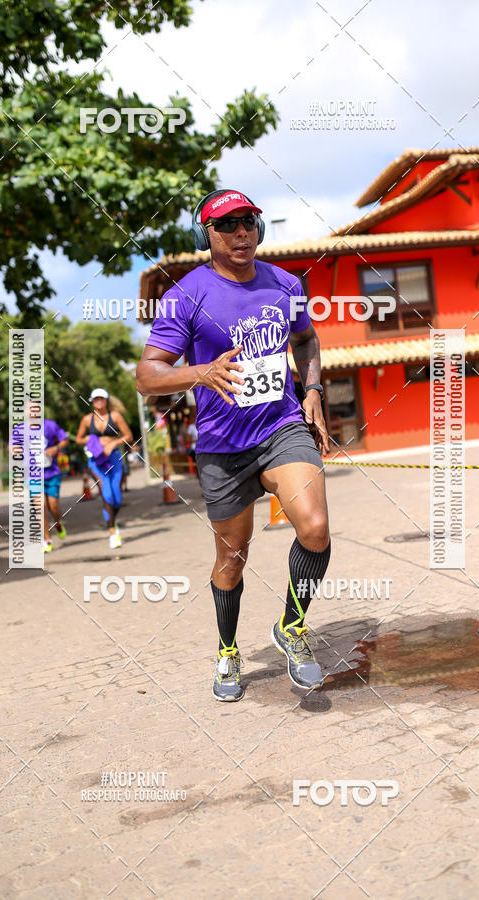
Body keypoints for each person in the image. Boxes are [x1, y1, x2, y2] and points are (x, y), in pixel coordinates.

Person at [136, 188, 332, 702]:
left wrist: (311, 389)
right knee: (232, 558)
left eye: (248, 222)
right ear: (208, 235)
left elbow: (307, 339)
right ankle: (227, 649)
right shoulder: (186, 295)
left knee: (313, 527)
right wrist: (201, 371)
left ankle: (292, 627)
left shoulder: (285, 284)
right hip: (222, 446)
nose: (240, 232)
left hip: (281, 426)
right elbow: (146, 375)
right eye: (227, 225)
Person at [75, 389, 133, 548]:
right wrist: (88, 438)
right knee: (106, 492)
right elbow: (78, 439)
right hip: (96, 460)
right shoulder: (87, 420)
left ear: (106, 400)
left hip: (114, 457)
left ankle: (112, 521)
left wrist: (113, 443)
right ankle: (112, 532)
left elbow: (128, 436)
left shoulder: (115, 416)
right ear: (92, 401)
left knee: (117, 497)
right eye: (95, 399)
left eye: (101, 399)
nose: (99, 402)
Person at [10, 416, 70, 553]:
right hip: (32, 475)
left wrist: (55, 448)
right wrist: (15, 450)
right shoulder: (20, 429)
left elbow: (64, 440)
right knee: (40, 506)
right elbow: (12, 446)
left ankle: (58, 524)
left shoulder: (50, 425)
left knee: (54, 506)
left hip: (52, 473)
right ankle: (46, 539)